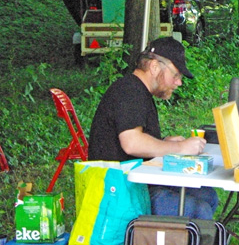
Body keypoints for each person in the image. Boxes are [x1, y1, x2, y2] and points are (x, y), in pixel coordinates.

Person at [88, 37, 218, 220]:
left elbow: (133, 140)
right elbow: (131, 143)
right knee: (198, 209)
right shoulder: (129, 91)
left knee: (208, 196)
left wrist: (163, 143)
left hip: (136, 181)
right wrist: (179, 148)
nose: (179, 82)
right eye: (176, 75)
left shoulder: (137, 90)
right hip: (120, 190)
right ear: (155, 67)